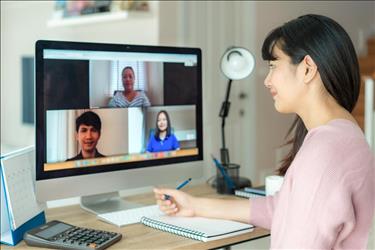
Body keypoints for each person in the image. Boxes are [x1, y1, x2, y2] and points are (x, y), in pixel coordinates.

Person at [153, 14, 375, 249]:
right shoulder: (347, 135)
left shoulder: (324, 153)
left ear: (307, 69)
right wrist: (195, 205)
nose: (267, 80)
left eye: (273, 66)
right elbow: (280, 209)